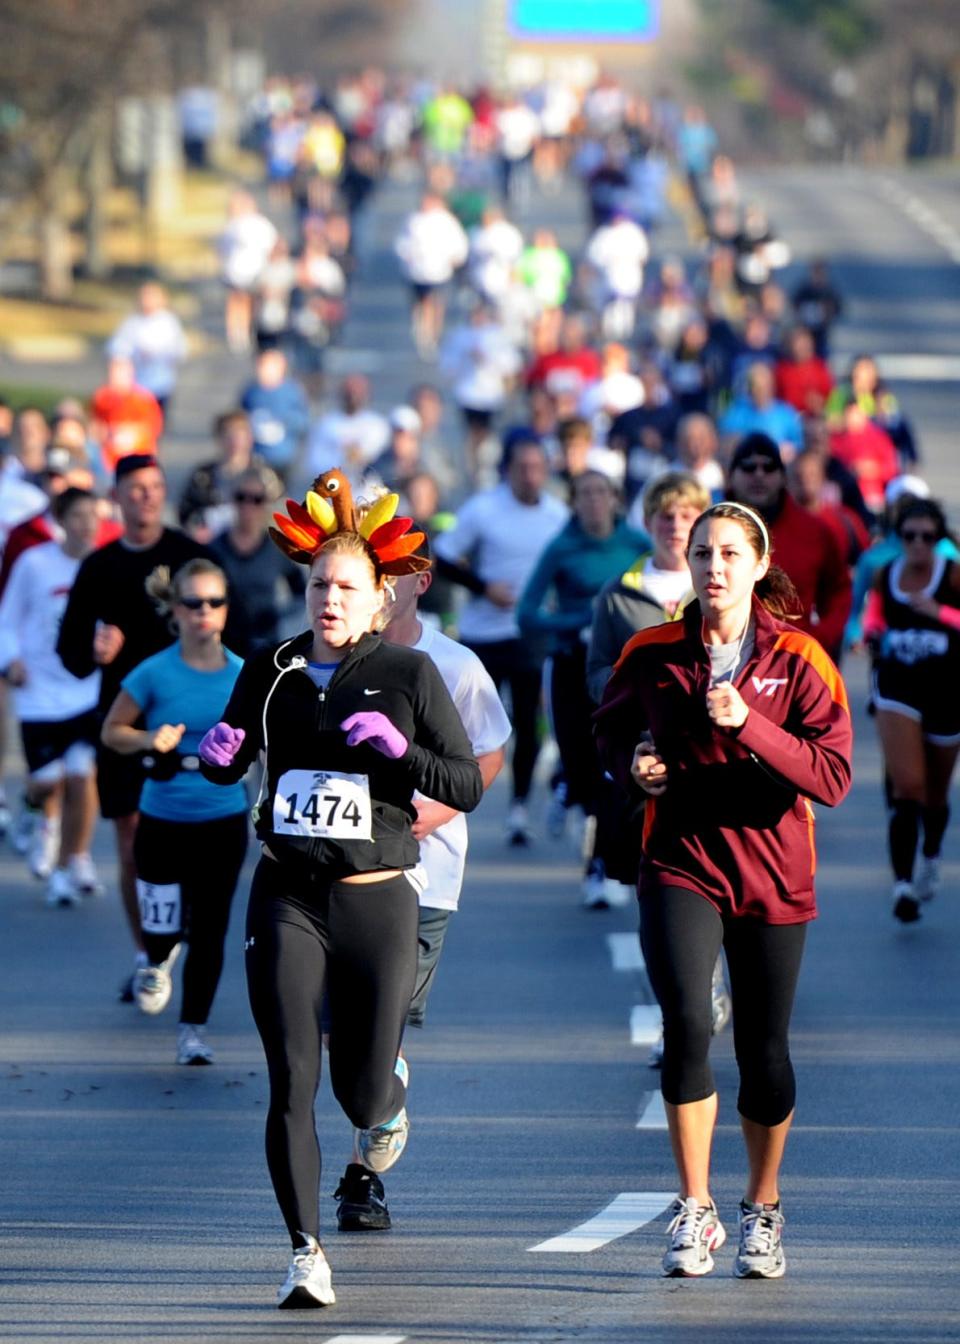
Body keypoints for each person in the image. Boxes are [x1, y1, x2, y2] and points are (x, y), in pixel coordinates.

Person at [198, 471, 482, 1308]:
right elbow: (231, 752)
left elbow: (462, 783)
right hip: (287, 892)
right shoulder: (273, 667)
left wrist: (400, 752)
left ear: (380, 596)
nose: (329, 598)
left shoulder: (408, 671)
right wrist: (216, 760)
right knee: (292, 1074)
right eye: (319, 583)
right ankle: (304, 1250)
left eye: (347, 586)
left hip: (377, 896)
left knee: (358, 1090)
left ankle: (386, 1095)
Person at [596, 501, 852, 1280]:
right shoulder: (650, 650)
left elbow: (833, 776)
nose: (714, 567)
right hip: (680, 858)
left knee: (763, 1050)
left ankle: (762, 1208)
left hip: (773, 870)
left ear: (758, 563)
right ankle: (695, 1205)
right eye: (704, 553)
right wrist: (635, 765)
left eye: (731, 554)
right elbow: (605, 734)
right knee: (685, 1024)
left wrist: (749, 725)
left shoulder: (801, 657)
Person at [334, 540, 510, 1232]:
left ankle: (361, 1177)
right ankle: (383, 1101)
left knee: (380, 1022)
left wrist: (418, 817)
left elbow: (488, 753)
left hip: (423, 874)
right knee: (337, 1030)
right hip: (336, 867)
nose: (377, 586)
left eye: (392, 574)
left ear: (419, 582)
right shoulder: (331, 656)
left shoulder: (456, 665)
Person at [57, 456, 213, 996]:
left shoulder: (190, 559)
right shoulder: (99, 567)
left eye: (153, 488)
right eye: (134, 489)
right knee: (131, 841)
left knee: (191, 839)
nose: (145, 497)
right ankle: (149, 953)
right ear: (115, 498)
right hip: (123, 725)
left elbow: (227, 629)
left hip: (189, 723)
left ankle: (183, 925)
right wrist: (95, 650)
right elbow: (70, 653)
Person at [101, 560, 248, 1062]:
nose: (203, 612)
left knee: (210, 928)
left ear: (226, 611)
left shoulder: (243, 676)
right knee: (161, 931)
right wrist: (147, 737)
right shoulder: (154, 671)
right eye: (192, 602)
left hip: (223, 817)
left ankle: (193, 1030)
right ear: (175, 609)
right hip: (162, 817)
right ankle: (158, 960)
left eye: (213, 602)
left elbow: (269, 742)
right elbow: (111, 730)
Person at [517, 471, 647, 906]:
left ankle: (599, 866)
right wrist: (583, 620)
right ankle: (568, 786)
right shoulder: (561, 547)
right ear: (573, 502)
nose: (593, 501)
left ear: (615, 498)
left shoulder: (636, 545)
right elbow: (527, 614)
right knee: (580, 761)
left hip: (622, 667)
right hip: (571, 664)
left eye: (602, 492)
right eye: (585, 494)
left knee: (613, 763)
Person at [434, 437, 568, 845]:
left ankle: (519, 809)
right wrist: (483, 587)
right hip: (482, 635)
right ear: (507, 470)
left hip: (529, 634)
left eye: (537, 467)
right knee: (465, 727)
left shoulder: (558, 515)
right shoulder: (483, 509)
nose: (530, 475)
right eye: (522, 467)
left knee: (528, 725)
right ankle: (452, 797)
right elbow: (442, 556)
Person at [0, 488, 102, 902]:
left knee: (81, 774)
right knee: (46, 782)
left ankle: (70, 861)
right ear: (60, 520)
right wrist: (11, 660)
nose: (87, 524)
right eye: (78, 515)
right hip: (39, 693)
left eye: (93, 515)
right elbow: (6, 619)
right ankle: (32, 806)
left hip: (85, 690)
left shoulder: (102, 566)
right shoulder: (34, 564)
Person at [862, 499, 960, 923]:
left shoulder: (953, 575)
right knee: (908, 787)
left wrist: (940, 613)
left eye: (928, 536)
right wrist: (870, 634)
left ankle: (931, 856)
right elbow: (871, 617)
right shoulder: (887, 575)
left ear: (939, 540)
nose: (918, 544)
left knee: (935, 795)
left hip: (947, 691)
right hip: (897, 688)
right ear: (899, 539)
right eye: (910, 536)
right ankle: (902, 885)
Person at [726, 434, 851, 662]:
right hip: (725, 660)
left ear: (783, 476)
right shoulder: (710, 531)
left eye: (769, 467)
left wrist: (819, 637)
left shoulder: (814, 531)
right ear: (731, 476)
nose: (759, 475)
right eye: (748, 467)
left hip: (794, 660)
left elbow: (839, 590)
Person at [209, 465, 304, 653]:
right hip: (222, 646)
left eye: (257, 499)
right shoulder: (214, 549)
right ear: (232, 500)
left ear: (266, 503)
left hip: (266, 645)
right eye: (241, 497)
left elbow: (301, 591)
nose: (248, 506)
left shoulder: (276, 548)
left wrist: (280, 616)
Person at [107, 283, 187, 419]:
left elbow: (178, 349)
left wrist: (158, 353)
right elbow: (117, 347)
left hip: (161, 381)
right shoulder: (132, 322)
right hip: (136, 383)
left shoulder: (168, 322)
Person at [239, 348, 310, 483]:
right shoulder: (251, 392)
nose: (261, 370)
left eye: (266, 366)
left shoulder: (292, 391)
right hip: (256, 456)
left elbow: (304, 422)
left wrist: (284, 419)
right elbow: (241, 418)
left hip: (283, 457)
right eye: (260, 365)